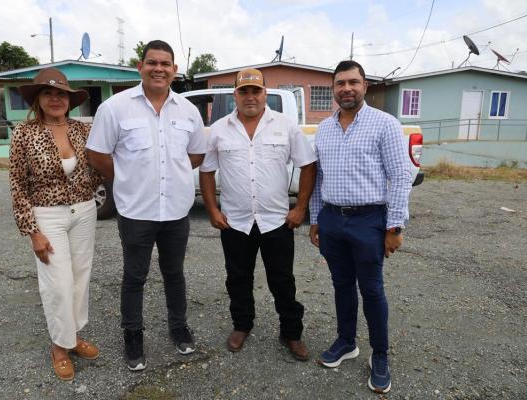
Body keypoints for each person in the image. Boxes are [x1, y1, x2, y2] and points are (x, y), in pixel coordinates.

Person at [86, 40, 207, 371]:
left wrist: (173, 172)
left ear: (174, 70)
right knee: (134, 276)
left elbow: (197, 153)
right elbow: (96, 153)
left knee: (174, 273)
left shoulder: (188, 111)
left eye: (165, 64)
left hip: (176, 211)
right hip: (136, 211)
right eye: (152, 62)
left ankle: (178, 328)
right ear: (140, 67)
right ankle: (133, 336)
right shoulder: (115, 107)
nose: (158, 69)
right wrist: (126, 176)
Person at [309, 60, 412, 393]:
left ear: (365, 86)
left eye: (353, 82)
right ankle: (346, 341)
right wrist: (316, 218)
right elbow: (318, 178)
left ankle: (379, 355)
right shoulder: (324, 129)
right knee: (341, 284)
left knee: (371, 289)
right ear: (333, 89)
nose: (347, 89)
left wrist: (394, 226)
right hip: (332, 219)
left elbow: (401, 176)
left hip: (369, 220)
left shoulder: (385, 124)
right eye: (340, 83)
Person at [199, 68, 317, 361]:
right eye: (244, 91)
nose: (250, 97)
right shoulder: (219, 130)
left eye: (256, 91)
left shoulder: (286, 126)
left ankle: (291, 332)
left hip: (276, 221)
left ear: (265, 93)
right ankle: (242, 325)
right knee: (237, 278)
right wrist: (212, 209)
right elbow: (207, 171)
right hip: (235, 222)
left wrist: (300, 208)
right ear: (235, 95)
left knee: (283, 281)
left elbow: (308, 165)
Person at [9, 68, 103, 381]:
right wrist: (32, 231)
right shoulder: (24, 133)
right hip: (46, 215)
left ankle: (72, 337)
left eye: (61, 93)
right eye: (48, 93)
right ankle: (59, 347)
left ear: (69, 100)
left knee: (80, 277)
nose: (55, 99)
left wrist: (91, 187)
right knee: (58, 283)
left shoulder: (82, 129)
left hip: (84, 211)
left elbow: (97, 167)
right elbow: (17, 185)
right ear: (37, 99)